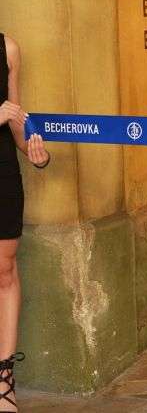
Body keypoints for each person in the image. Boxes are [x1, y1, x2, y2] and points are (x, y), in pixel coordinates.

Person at [0, 33, 50, 413]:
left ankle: (3, 380)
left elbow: (16, 120)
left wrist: (34, 150)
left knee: (4, 270)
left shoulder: (8, 48)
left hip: (2, 172)